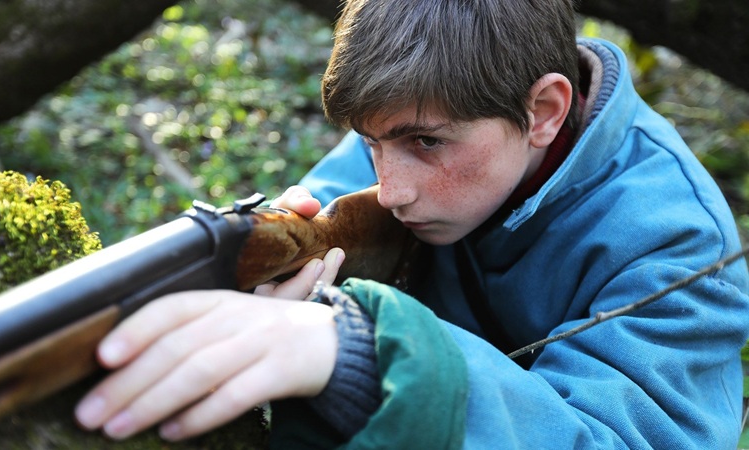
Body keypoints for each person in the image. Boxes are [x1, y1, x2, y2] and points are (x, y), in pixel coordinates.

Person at [75, 0, 749, 448]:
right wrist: (273, 266)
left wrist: (362, 353)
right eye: (371, 143)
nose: (389, 190)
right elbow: (329, 209)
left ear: (544, 110)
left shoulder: (680, 243)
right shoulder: (430, 110)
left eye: (426, 144)